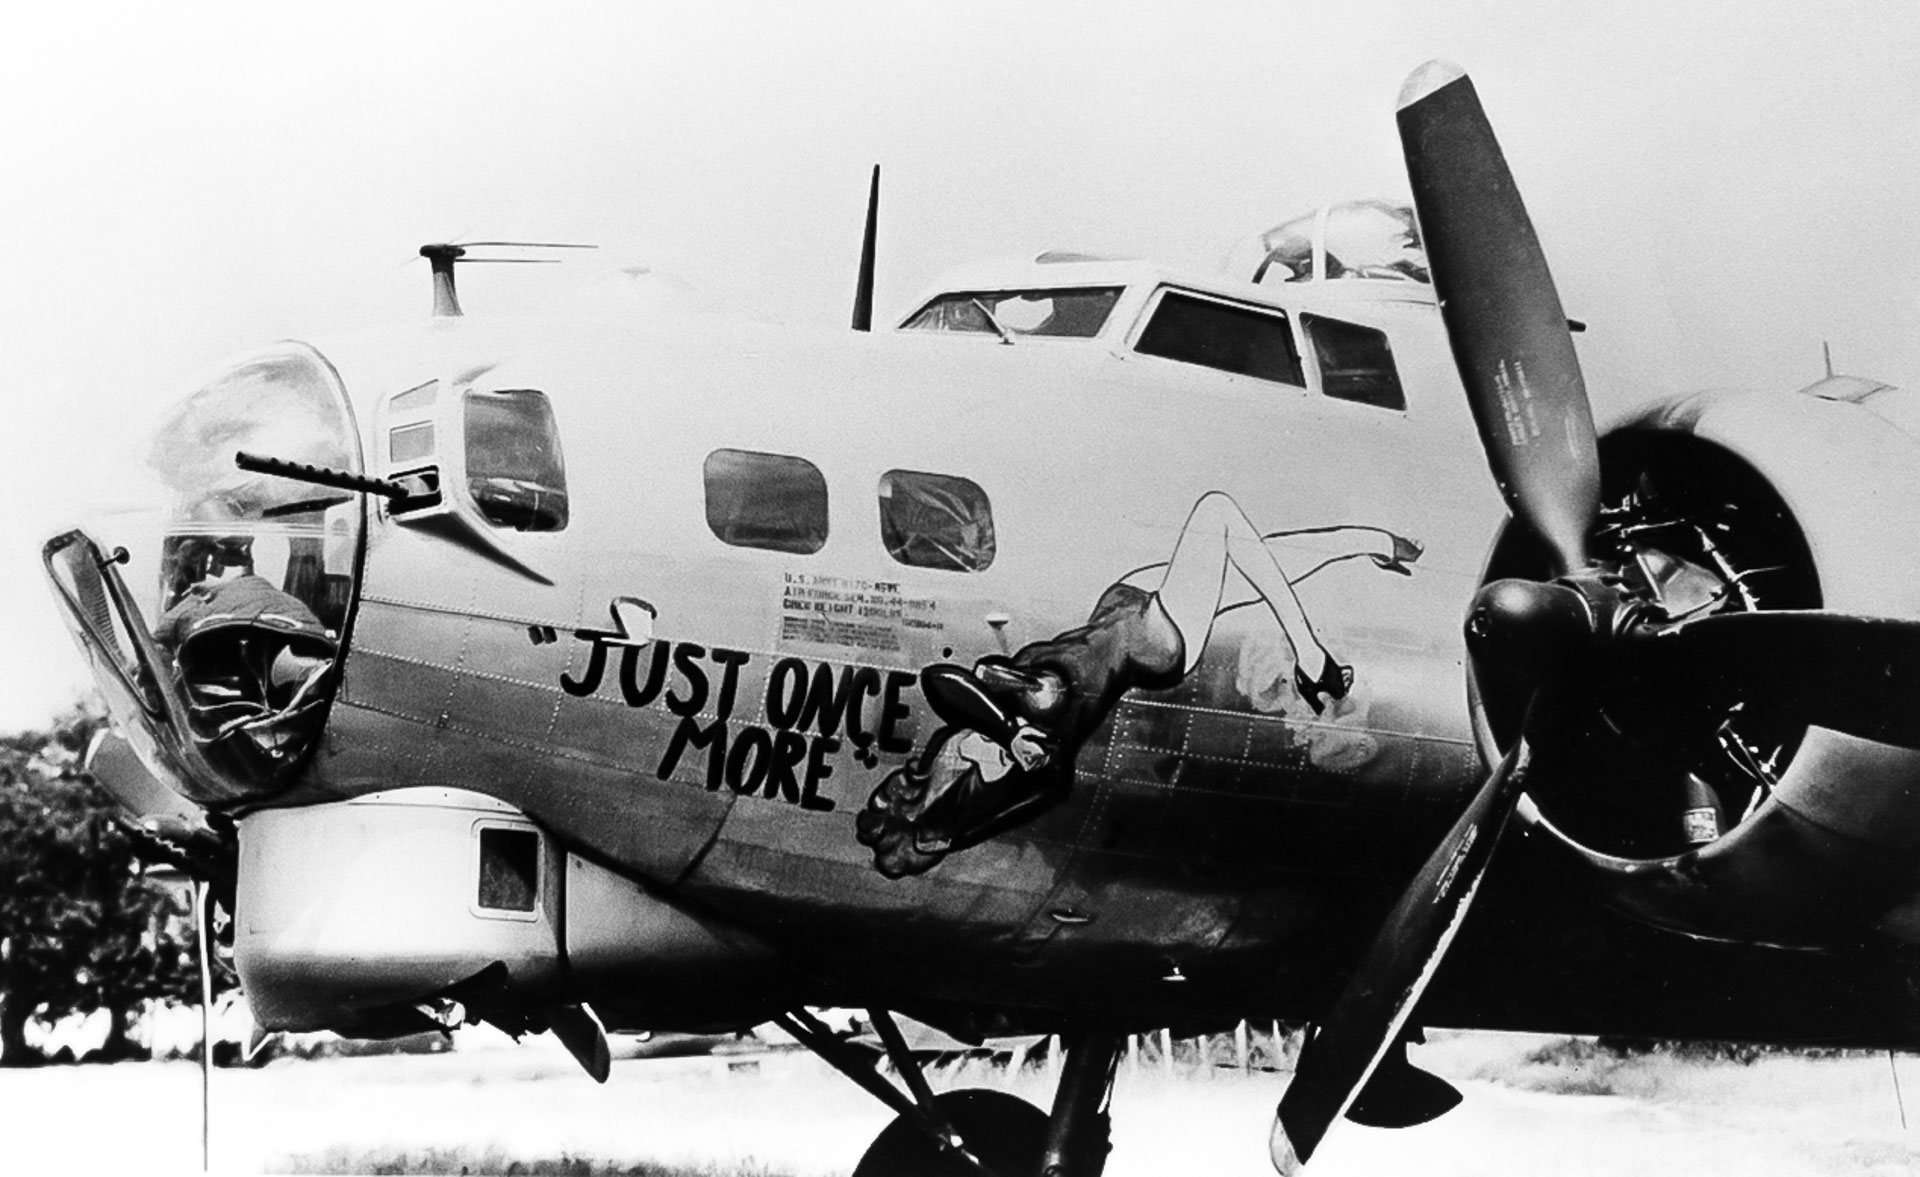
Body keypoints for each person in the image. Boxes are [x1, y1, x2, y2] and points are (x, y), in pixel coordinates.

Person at [856, 491, 1421, 876]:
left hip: (1117, 610)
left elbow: (948, 682)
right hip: (1154, 643)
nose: (958, 747)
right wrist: (1006, 758)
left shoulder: (1000, 729)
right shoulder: (1043, 750)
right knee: (1220, 516)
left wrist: (1006, 733)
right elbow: (1030, 766)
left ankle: (1369, 543)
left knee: (1252, 561)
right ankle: (1312, 655)